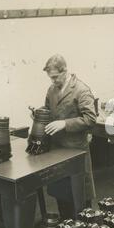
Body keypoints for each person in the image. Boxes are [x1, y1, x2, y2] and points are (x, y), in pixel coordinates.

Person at [42, 54, 97, 219]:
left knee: (79, 195)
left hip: (75, 150)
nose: (53, 81)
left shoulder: (81, 89)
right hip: (57, 149)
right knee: (62, 194)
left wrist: (64, 123)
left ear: (64, 70)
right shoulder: (52, 90)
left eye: (55, 77)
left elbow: (90, 119)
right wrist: (39, 115)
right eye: (50, 78)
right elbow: (47, 109)